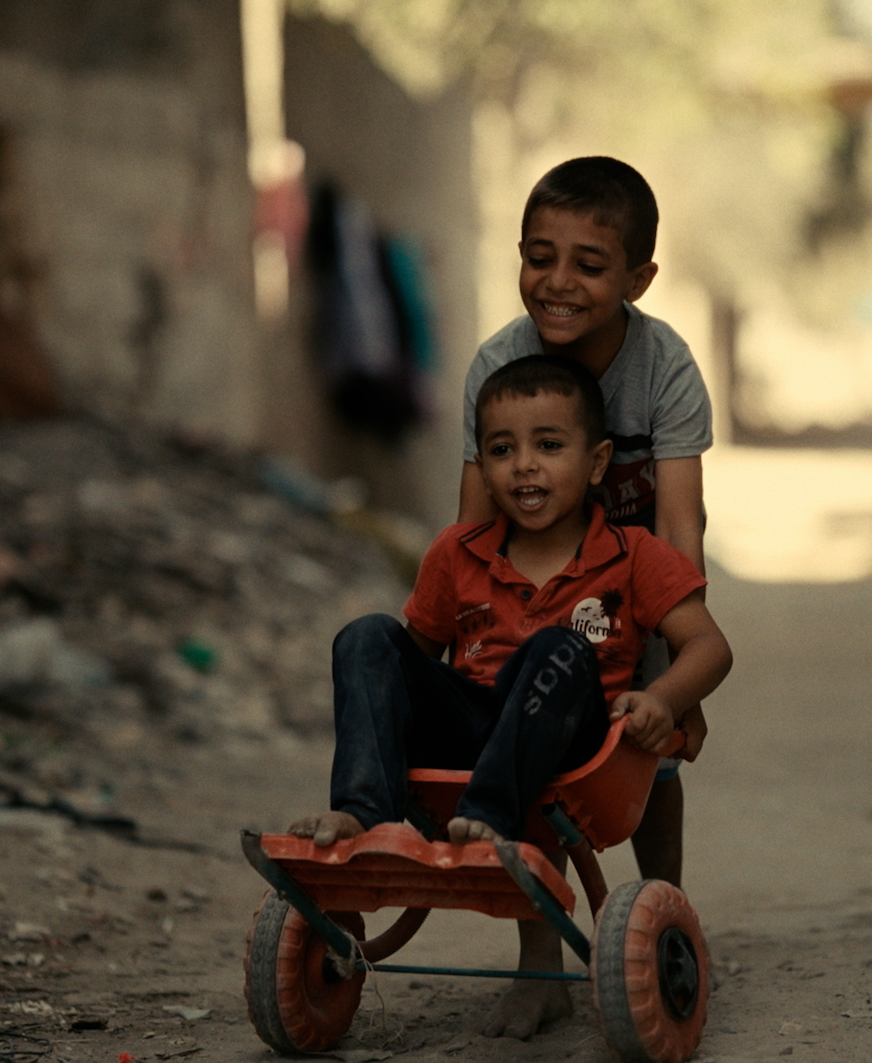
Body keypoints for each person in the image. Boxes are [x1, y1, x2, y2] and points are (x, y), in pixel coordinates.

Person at [289, 354, 733, 1040]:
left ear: (596, 462)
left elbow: (710, 646)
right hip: (473, 732)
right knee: (367, 637)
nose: (523, 465)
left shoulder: (633, 554)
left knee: (559, 648)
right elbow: (408, 665)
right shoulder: (458, 553)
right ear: (483, 466)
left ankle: (492, 819)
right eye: (502, 450)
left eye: (548, 445)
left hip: (575, 746)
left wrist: (665, 699)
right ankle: (364, 817)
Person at [457, 156, 712, 890]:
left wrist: (681, 690)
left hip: (638, 583)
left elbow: (679, 527)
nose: (559, 282)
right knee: (526, 747)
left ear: (638, 280)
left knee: (650, 756)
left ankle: (666, 910)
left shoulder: (664, 368)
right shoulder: (499, 364)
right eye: (540, 259)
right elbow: (473, 527)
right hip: (528, 587)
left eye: (589, 266)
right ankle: (538, 947)